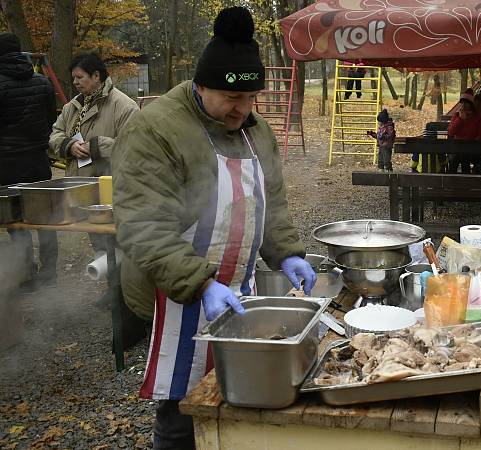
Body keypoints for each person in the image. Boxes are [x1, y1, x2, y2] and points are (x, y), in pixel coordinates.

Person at [112, 7, 317, 449]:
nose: (242, 111)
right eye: (231, 99)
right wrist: (201, 285)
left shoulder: (254, 130)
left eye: (250, 100)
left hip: (235, 288)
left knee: (236, 395)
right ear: (200, 85)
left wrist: (286, 252)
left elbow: (271, 200)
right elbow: (142, 225)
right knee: (183, 406)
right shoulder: (156, 129)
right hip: (174, 290)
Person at [49, 51, 138, 255]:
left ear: (96, 76)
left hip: (113, 190)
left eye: (80, 77)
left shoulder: (124, 106)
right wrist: (68, 145)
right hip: (83, 188)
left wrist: (99, 146)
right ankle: (110, 282)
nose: (75, 82)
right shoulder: (72, 107)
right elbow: (55, 135)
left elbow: (136, 147)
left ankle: (121, 284)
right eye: (74, 78)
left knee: (119, 246)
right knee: (98, 244)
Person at [0, 32, 58, 292]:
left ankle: (27, 271)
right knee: (44, 217)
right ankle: (50, 272)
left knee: (16, 220)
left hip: (6, 164)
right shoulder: (43, 82)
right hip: (38, 160)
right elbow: (49, 120)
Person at [446, 92, 481, 174]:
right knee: (456, 157)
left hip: (472, 147)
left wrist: (472, 145)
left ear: (471, 104)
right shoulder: (457, 116)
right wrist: (460, 119)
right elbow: (451, 132)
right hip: (457, 146)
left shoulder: (477, 118)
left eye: (466, 103)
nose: (464, 105)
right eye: (462, 103)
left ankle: (466, 180)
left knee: (465, 156)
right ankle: (450, 180)